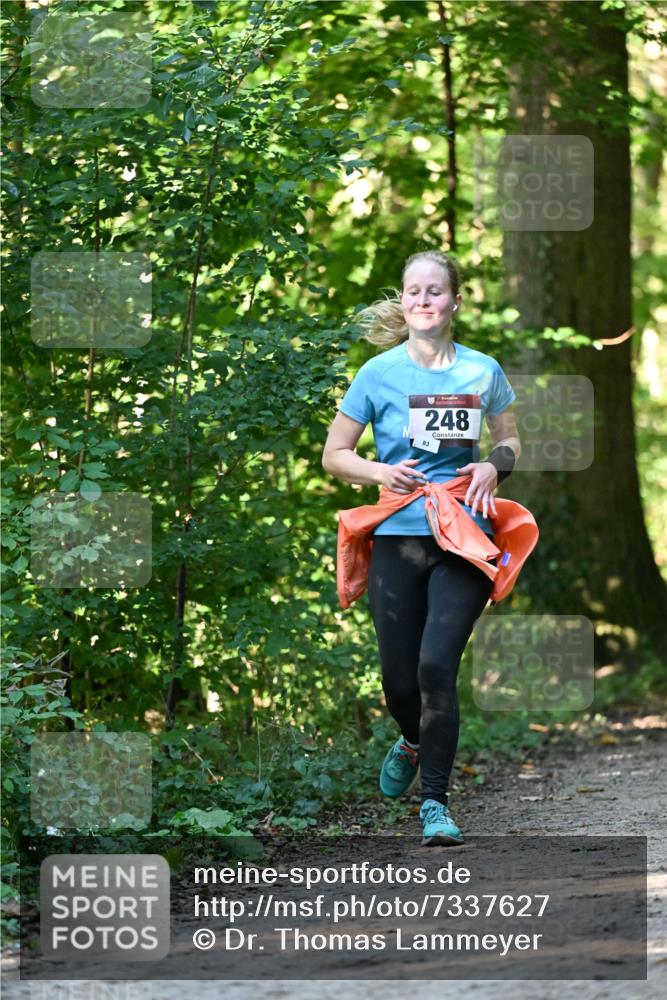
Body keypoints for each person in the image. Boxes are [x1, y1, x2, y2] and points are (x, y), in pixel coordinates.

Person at [322, 250, 522, 847]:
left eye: (436, 291)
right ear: (404, 302)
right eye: (414, 291)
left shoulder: (483, 370)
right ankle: (411, 739)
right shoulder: (377, 373)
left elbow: (510, 441)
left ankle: (434, 802)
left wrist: (492, 464)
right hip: (398, 537)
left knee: (437, 666)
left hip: (462, 535)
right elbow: (334, 456)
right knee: (399, 681)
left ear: (455, 301)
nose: (424, 300)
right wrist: (381, 472)